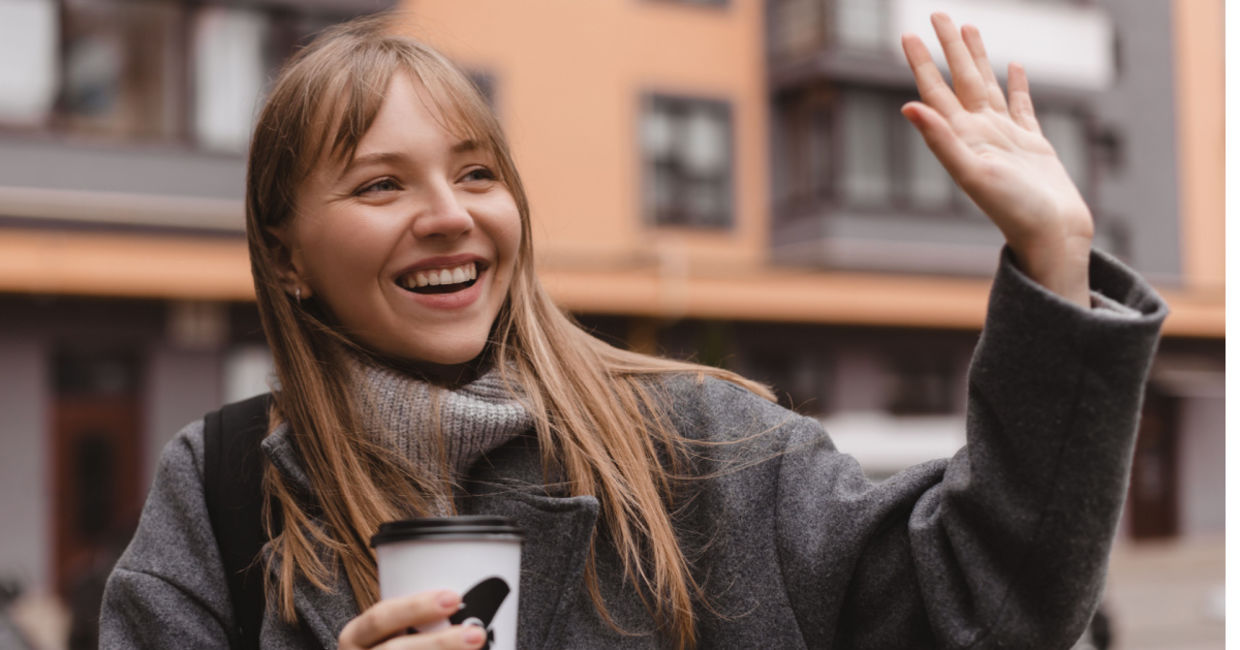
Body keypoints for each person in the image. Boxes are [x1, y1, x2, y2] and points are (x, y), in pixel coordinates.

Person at [100, 11, 1166, 650]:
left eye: (477, 173)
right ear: (286, 254)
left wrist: (1052, 267)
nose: (449, 213)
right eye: (380, 184)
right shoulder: (224, 487)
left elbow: (986, 606)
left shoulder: (700, 445)